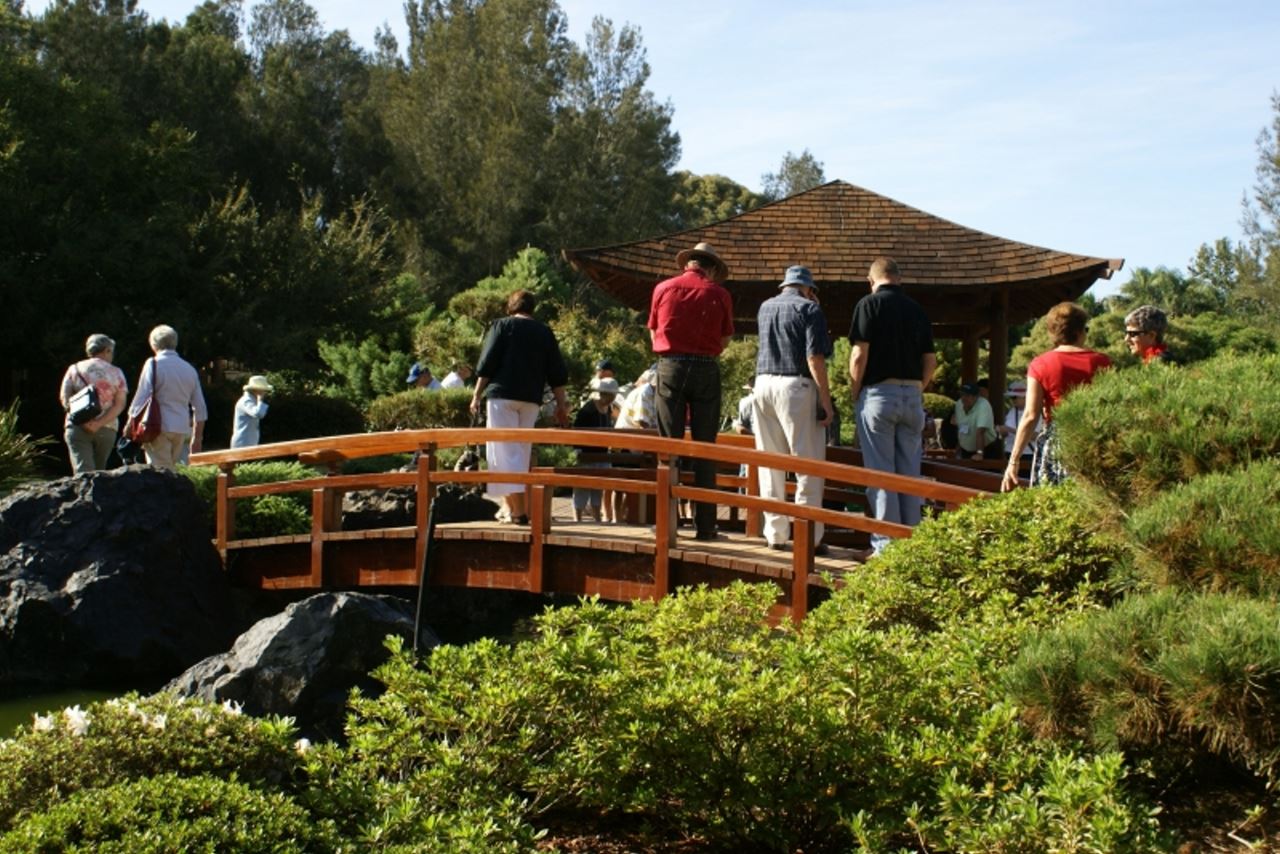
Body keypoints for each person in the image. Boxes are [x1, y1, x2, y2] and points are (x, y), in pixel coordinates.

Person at [848, 256, 936, 558]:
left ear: (871, 281)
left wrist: (855, 392)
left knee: (881, 474)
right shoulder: (918, 309)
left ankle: (886, 548)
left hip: (878, 394)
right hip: (912, 395)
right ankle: (911, 544)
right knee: (909, 473)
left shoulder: (868, 305)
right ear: (898, 278)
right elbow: (930, 360)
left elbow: (859, 355)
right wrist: (917, 388)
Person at [648, 241, 735, 541]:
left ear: (688, 264)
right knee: (705, 447)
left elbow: (653, 331)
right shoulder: (719, 294)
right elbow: (724, 340)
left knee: (668, 446)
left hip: (670, 365)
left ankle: (665, 522)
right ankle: (706, 526)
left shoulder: (663, 289)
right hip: (706, 367)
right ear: (711, 269)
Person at [752, 265, 834, 553]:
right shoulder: (810, 309)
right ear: (809, 289)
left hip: (762, 384)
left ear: (784, 285)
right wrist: (826, 401)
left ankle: (775, 534)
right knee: (808, 464)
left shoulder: (765, 307)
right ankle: (807, 537)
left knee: (769, 463)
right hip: (795, 386)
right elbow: (815, 358)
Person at [470, 290, 569, 525]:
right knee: (521, 454)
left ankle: (519, 511)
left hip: (502, 396)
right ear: (532, 308)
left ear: (510, 307)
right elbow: (556, 372)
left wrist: (476, 395)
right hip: (530, 399)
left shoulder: (502, 326)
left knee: (501, 453)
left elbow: (487, 364)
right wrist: (561, 405)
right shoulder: (544, 332)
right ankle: (511, 508)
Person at [1002, 302, 1112, 490]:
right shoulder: (1102, 362)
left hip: (1057, 440)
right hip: (1093, 438)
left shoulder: (1040, 364)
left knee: (1054, 498)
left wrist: (1014, 460)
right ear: (1079, 331)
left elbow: (1030, 415)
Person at [127, 324, 208, 470]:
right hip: (181, 428)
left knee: (160, 471)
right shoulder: (189, 369)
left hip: (156, 425)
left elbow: (142, 396)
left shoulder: (153, 364)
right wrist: (197, 438)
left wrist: (130, 422)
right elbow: (200, 407)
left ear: (153, 344)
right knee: (171, 470)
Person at [58, 333, 128, 473]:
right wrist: (98, 423)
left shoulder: (74, 369)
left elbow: (65, 398)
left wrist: (83, 421)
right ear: (107, 350)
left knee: (83, 472)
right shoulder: (117, 373)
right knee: (99, 473)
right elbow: (119, 404)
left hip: (78, 426)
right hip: (107, 428)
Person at [571, 376, 619, 522]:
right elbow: (577, 430)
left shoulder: (609, 409)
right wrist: (577, 450)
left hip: (602, 454)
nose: (611, 399)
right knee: (582, 486)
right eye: (610, 395)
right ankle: (577, 517)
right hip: (586, 453)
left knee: (599, 486)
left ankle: (597, 516)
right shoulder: (588, 409)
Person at [951, 382, 997, 461]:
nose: (964, 398)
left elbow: (980, 431)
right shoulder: (959, 404)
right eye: (962, 395)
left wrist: (979, 453)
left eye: (968, 395)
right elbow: (960, 428)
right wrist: (958, 447)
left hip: (986, 449)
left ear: (976, 397)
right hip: (965, 450)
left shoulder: (983, 405)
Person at [998, 380, 1038, 459]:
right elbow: (1006, 434)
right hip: (1010, 451)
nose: (1012, 400)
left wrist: (1009, 429)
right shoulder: (1011, 411)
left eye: (1014, 397)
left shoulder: (1035, 413)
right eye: (1011, 398)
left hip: (1027, 454)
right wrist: (1002, 431)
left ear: (1025, 397)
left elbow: (1035, 436)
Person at [230, 375, 273, 448]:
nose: (265, 392)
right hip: (243, 442)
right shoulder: (246, 401)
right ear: (256, 390)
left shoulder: (252, 401)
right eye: (263, 390)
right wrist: (260, 400)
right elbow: (258, 414)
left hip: (249, 441)